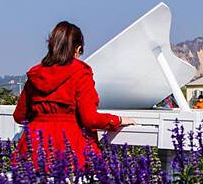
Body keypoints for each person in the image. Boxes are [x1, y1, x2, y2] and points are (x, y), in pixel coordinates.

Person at [12, 21, 136, 170]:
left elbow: (19, 116)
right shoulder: (80, 72)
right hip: (70, 149)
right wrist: (118, 120)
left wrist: (43, 116)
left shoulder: (36, 73)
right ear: (77, 49)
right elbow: (90, 119)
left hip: (33, 149)